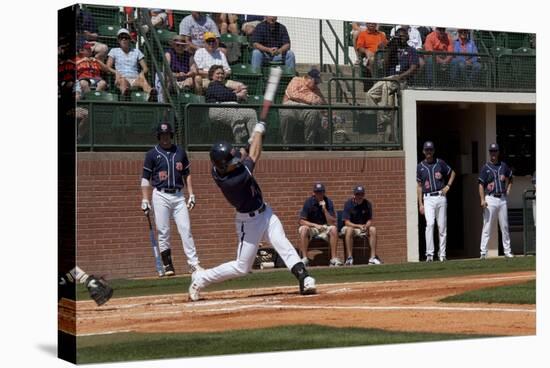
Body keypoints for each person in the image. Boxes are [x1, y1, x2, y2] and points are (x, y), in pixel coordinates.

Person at [188, 123, 316, 301]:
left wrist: (248, 145)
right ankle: (202, 278)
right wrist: (257, 131)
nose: (235, 162)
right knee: (242, 267)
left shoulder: (224, 167)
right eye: (231, 162)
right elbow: (254, 154)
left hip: (266, 213)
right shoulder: (232, 180)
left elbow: (242, 154)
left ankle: (304, 277)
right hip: (249, 223)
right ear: (222, 166)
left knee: (281, 243)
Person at [140, 122, 202, 275]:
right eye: (162, 135)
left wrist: (191, 194)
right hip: (160, 195)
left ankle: (194, 264)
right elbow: (145, 178)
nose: (165, 138)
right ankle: (168, 265)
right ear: (158, 136)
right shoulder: (152, 154)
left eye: (167, 134)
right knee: (163, 231)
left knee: (185, 229)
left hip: (178, 195)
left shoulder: (180, 152)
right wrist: (145, 199)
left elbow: (187, 174)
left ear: (171, 135)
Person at [365, 27, 418, 142]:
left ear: (408, 37)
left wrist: (400, 76)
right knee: (370, 94)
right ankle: (381, 118)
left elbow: (414, 68)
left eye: (403, 36)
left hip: (402, 80)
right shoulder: (393, 48)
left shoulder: (411, 50)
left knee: (387, 86)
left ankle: (385, 121)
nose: (401, 38)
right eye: (399, 36)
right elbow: (385, 65)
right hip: (389, 78)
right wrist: (391, 46)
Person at [416, 141, 456, 262]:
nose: (428, 152)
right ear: (423, 151)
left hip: (440, 196)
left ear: (433, 151)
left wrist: (448, 186)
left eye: (430, 150)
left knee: (442, 226)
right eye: (426, 150)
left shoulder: (440, 162)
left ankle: (442, 254)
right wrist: (420, 204)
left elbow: (452, 172)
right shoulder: (420, 166)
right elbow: (419, 186)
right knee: (430, 224)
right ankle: (429, 254)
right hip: (428, 198)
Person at [478, 143, 514, 259]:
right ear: (489, 153)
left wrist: (508, 188)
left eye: (495, 151)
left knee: (504, 226)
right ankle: (483, 252)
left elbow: (511, 177)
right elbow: (480, 185)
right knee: (487, 226)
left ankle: (507, 251)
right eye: (491, 151)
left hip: (502, 198)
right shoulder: (485, 167)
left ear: (498, 152)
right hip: (490, 198)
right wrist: (482, 199)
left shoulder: (503, 166)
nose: (493, 153)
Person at [206, 65, 258, 144]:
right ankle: (240, 144)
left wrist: (237, 92)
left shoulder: (222, 86)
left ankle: (255, 142)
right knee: (236, 115)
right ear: (211, 75)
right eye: (218, 73)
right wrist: (238, 95)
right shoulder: (212, 85)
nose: (220, 75)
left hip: (229, 108)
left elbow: (226, 94)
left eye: (222, 73)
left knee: (251, 113)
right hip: (217, 109)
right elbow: (222, 95)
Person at [106, 28, 158, 101]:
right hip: (122, 77)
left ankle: (151, 94)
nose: (124, 39)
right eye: (121, 38)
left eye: (126, 38)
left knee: (143, 80)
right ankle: (125, 96)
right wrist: (116, 72)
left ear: (129, 40)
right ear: (118, 40)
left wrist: (142, 73)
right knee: (123, 81)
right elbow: (108, 67)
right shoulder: (114, 51)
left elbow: (145, 68)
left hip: (135, 78)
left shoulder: (136, 51)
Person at [299, 182, 343, 267]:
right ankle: (304, 258)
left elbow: (331, 222)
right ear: (314, 193)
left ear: (324, 192)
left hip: (324, 227)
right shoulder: (308, 202)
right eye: (317, 192)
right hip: (312, 227)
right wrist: (315, 225)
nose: (319, 194)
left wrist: (324, 209)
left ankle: (333, 259)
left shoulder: (328, 202)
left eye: (321, 192)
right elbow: (301, 221)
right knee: (303, 229)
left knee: (333, 229)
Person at [279, 68, 326, 145]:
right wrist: (311, 100)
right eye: (316, 81)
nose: (317, 84)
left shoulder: (316, 89)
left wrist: (317, 102)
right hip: (291, 105)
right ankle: (285, 143)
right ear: (309, 78)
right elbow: (293, 95)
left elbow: (322, 102)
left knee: (314, 112)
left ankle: (308, 143)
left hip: (307, 109)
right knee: (287, 115)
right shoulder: (296, 80)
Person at [341, 185, 383, 266]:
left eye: (361, 194)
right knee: (349, 229)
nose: (360, 196)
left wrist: (366, 226)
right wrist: (358, 226)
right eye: (358, 194)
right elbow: (346, 222)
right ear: (354, 195)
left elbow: (369, 220)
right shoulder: (348, 204)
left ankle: (372, 258)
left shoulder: (367, 204)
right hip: (351, 226)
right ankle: (349, 258)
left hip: (363, 227)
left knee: (373, 229)